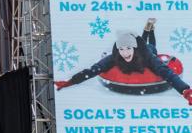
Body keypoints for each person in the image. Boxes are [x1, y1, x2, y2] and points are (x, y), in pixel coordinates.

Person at [55, 26, 192, 105]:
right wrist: (70, 82)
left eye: (128, 48)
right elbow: (92, 70)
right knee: (146, 44)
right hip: (139, 48)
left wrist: (185, 91)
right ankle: (147, 28)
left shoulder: (147, 56)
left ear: (134, 48)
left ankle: (150, 29)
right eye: (122, 49)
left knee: (152, 46)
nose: (125, 53)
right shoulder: (114, 57)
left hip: (148, 50)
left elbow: (167, 73)